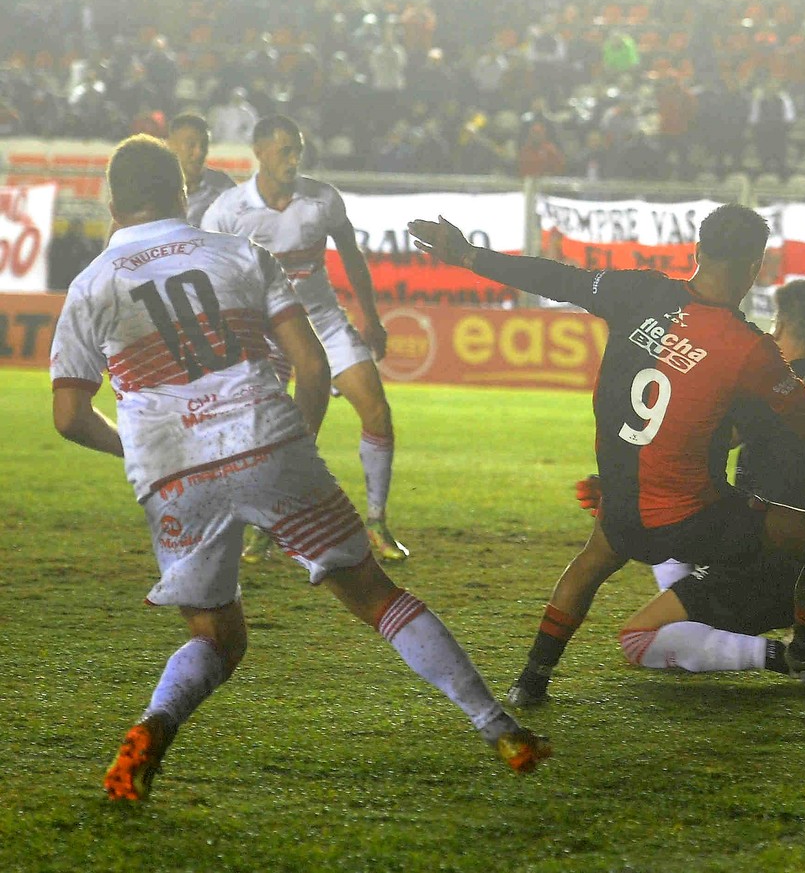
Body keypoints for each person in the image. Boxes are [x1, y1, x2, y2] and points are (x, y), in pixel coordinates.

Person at [51, 136, 548, 802]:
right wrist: (292, 444)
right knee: (375, 595)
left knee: (216, 636)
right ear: (180, 191)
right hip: (268, 441)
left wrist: (140, 451)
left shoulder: (90, 284)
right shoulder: (238, 254)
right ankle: (500, 727)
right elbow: (311, 369)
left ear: (111, 201)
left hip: (173, 475)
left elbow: (67, 413)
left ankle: (153, 723)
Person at [406, 205, 805, 707]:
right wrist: (789, 383)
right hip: (696, 519)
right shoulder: (749, 348)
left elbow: (556, 279)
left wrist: (466, 254)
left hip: (623, 502)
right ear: (753, 268)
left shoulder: (639, 291)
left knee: (591, 564)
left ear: (697, 251)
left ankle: (531, 682)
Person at [613, 279, 805, 687]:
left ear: (780, 327)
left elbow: (692, 445)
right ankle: (736, 621)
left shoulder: (771, 393)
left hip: (760, 576)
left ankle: (786, 659)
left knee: (637, 638)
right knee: (676, 531)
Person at [201, 115, 407, 563]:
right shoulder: (227, 211)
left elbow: (350, 255)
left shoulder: (322, 199)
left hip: (324, 322)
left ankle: (376, 523)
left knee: (376, 410)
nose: (294, 159)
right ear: (259, 152)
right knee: (265, 435)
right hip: (265, 332)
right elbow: (209, 276)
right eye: (284, 151)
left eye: (297, 150)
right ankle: (265, 525)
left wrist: (370, 318)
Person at [167, 113, 234, 227]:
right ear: (170, 145)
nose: (199, 152)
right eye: (191, 145)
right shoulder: (153, 187)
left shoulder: (223, 186)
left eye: (204, 145)